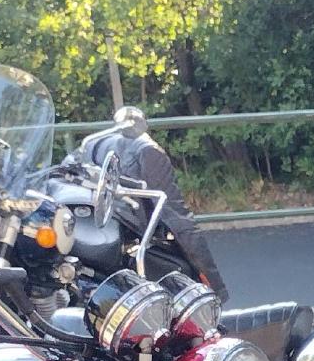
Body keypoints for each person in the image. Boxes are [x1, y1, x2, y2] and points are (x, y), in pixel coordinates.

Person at [74, 107, 229, 299]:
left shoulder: (94, 144)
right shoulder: (146, 151)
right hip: (127, 232)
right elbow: (177, 217)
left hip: (101, 232)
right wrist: (215, 287)